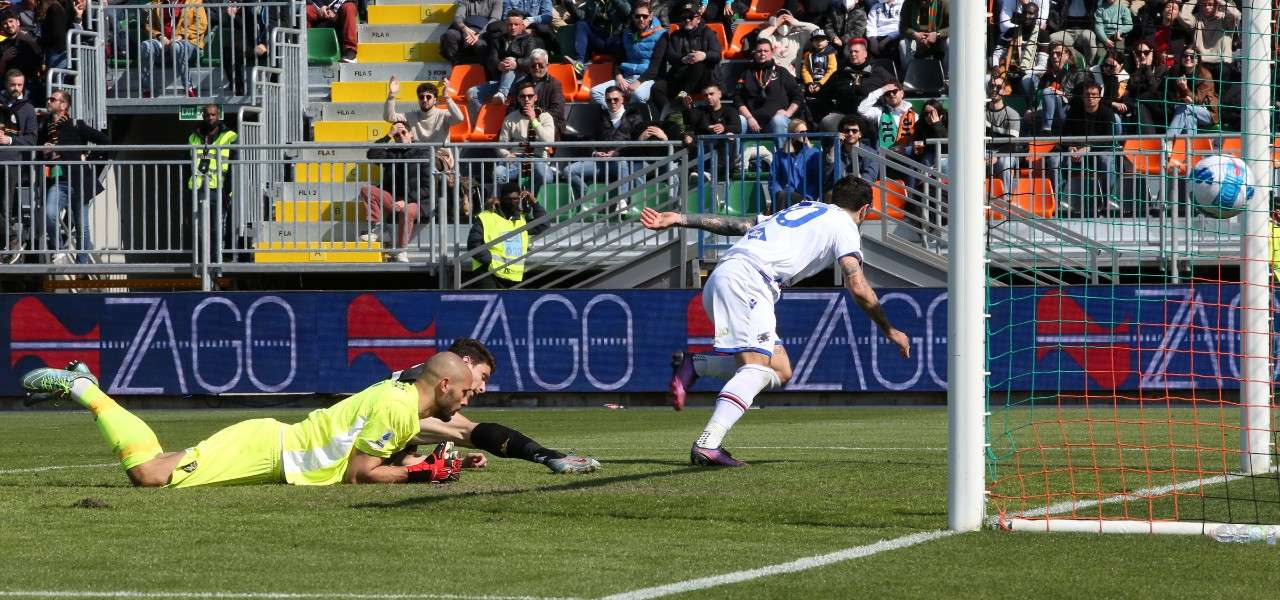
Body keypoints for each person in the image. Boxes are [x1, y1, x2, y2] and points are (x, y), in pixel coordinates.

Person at [639, 176, 910, 466]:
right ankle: (709, 443)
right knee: (755, 368)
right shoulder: (844, 225)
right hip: (749, 281)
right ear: (865, 210)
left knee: (780, 370)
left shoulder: (800, 209)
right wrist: (889, 329)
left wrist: (680, 218)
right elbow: (856, 284)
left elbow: (738, 225)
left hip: (723, 275)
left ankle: (696, 364)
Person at [19, 352, 477, 487]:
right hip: (269, 449)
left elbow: (370, 458)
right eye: (464, 390)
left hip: (276, 452)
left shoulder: (399, 396)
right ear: (442, 385)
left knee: (156, 466)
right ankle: (81, 387)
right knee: (150, 474)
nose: (466, 399)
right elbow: (359, 475)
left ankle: (83, 383)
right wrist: (416, 476)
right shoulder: (400, 408)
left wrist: (421, 466)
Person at [395, 337, 602, 474]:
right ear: (465, 362)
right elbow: (466, 432)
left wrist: (458, 462)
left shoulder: (418, 383)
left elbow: (400, 461)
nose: (483, 388)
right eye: (483, 376)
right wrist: (549, 456)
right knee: (467, 430)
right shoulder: (413, 392)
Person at [38, 89, 109, 262]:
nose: (49, 101)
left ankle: (82, 262)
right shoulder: (46, 126)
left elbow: (105, 141)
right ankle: (59, 250)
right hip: (57, 180)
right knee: (49, 214)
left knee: (81, 224)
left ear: (64, 105)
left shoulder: (76, 125)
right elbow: (39, 150)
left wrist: (88, 158)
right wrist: (45, 150)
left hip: (78, 180)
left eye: (53, 99)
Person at [360, 122, 433, 263]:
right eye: (397, 134)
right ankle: (380, 229)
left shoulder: (423, 151)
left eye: (403, 132)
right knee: (367, 190)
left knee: (407, 210)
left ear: (411, 134)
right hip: (394, 198)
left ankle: (401, 250)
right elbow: (371, 154)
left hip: (419, 201)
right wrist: (388, 135)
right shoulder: (392, 152)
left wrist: (406, 200)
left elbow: (428, 187)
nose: (400, 136)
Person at [638, 3, 722, 116]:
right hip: (681, 76)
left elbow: (717, 55)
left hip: (703, 80)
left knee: (698, 63)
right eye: (684, 17)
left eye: (691, 17)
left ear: (698, 18)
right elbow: (670, 56)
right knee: (657, 87)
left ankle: (681, 96)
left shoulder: (708, 33)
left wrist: (704, 55)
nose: (687, 20)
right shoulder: (675, 35)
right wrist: (683, 59)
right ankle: (672, 116)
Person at [565, 86, 644, 199]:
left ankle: (622, 201)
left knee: (621, 162)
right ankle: (588, 198)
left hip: (623, 161)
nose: (612, 102)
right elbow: (589, 139)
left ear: (622, 99)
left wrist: (616, 153)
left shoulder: (634, 117)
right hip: (601, 161)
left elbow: (636, 143)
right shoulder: (600, 118)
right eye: (608, 100)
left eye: (615, 99)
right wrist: (594, 153)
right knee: (568, 171)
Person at [467, 181, 548, 288]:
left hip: (512, 276)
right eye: (508, 199)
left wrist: (534, 202)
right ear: (501, 199)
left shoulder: (522, 220)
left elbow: (543, 224)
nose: (512, 202)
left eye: (515, 199)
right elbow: (473, 243)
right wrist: (489, 261)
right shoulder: (486, 217)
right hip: (488, 274)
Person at [589, 2, 664, 109]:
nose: (641, 19)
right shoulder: (626, 34)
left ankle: (630, 120)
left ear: (651, 16)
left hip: (647, 79)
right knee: (595, 92)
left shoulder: (661, 34)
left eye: (645, 16)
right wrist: (618, 77)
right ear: (633, 17)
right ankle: (618, 117)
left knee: (638, 95)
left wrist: (638, 82)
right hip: (626, 78)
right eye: (637, 16)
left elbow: (656, 67)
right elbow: (618, 60)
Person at [468, 10, 543, 111]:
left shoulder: (529, 40)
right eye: (510, 24)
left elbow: (531, 61)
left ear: (522, 25)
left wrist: (516, 63)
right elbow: (491, 60)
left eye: (516, 24)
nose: (513, 27)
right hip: (501, 81)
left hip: (522, 81)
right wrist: (499, 65)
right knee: (472, 93)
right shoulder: (498, 40)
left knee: (510, 60)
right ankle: (477, 123)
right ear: (506, 25)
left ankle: (502, 93)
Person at [187, 104, 238, 249]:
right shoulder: (193, 137)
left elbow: (235, 165)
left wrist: (228, 190)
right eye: (207, 115)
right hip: (197, 188)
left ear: (219, 115)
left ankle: (216, 261)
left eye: (213, 114)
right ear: (203, 116)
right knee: (200, 227)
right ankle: (204, 260)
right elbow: (186, 164)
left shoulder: (230, 136)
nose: (210, 117)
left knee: (217, 227)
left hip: (219, 189)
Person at [816, 38, 893, 131]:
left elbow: (894, 88)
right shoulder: (841, 72)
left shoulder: (878, 71)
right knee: (828, 122)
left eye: (856, 51)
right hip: (844, 114)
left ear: (865, 53)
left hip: (870, 113)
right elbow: (824, 93)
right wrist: (829, 111)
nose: (853, 54)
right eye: (851, 52)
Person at [494, 80, 556, 191]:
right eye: (523, 96)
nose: (526, 99)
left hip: (537, 158)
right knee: (498, 172)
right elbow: (501, 145)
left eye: (530, 96)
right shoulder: (510, 118)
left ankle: (533, 204)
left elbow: (549, 141)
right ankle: (505, 205)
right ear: (518, 99)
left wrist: (534, 120)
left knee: (546, 177)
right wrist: (506, 155)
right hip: (516, 159)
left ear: (535, 98)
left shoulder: (545, 117)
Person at [735, 38, 803, 139]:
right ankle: (735, 155)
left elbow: (798, 95)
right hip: (752, 123)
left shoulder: (782, 72)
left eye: (766, 51)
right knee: (740, 119)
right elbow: (737, 98)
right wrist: (749, 117)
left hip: (775, 123)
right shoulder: (746, 73)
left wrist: (788, 113)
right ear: (754, 53)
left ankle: (782, 154)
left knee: (779, 120)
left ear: (771, 52)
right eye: (759, 51)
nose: (762, 54)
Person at [681, 82, 741, 180]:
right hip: (704, 147)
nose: (708, 97)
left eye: (711, 94)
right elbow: (691, 122)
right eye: (705, 95)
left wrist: (724, 128)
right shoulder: (700, 110)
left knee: (729, 136)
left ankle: (711, 172)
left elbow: (738, 128)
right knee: (690, 139)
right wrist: (688, 108)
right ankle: (698, 172)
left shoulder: (730, 111)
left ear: (720, 94)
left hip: (721, 150)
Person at [769, 118, 826, 207]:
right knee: (783, 196)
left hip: (805, 198)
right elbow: (774, 179)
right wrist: (778, 193)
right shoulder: (780, 155)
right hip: (784, 197)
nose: (805, 134)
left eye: (806, 131)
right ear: (792, 134)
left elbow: (817, 180)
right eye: (801, 132)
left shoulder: (814, 154)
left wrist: (808, 197)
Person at [1163, 47, 1217, 136]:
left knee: (1184, 109)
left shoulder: (1205, 75)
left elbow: (1198, 101)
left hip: (1207, 112)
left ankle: (1168, 140)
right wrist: (1182, 99)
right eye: (1185, 56)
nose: (1188, 58)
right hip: (1188, 110)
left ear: (1198, 60)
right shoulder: (1178, 73)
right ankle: (1190, 147)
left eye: (1192, 56)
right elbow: (1175, 96)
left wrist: (1185, 88)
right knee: (1189, 118)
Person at [566, 0, 631, 73]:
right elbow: (581, 16)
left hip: (615, 40)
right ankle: (579, 63)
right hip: (598, 41)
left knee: (623, 38)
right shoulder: (592, 2)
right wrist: (569, 4)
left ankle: (622, 68)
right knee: (581, 24)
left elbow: (628, 12)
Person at [757, 8, 819, 77]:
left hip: (792, 77)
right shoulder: (771, 37)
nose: (784, 25)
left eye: (787, 22)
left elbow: (816, 30)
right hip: (774, 77)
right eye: (781, 22)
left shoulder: (798, 37)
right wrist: (775, 25)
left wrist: (797, 23)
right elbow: (761, 37)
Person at [827, 114, 879, 183]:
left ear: (860, 134)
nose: (850, 133)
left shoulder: (871, 154)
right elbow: (827, 174)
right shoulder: (834, 151)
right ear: (842, 133)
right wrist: (836, 144)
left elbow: (869, 177)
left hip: (860, 190)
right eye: (847, 131)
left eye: (854, 131)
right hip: (838, 190)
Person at [898, 0, 948, 68]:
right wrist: (914, 34)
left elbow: (954, 27)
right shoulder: (908, 2)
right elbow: (903, 27)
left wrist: (938, 34)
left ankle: (947, 76)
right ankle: (910, 75)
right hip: (916, 39)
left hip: (939, 39)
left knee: (949, 43)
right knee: (903, 44)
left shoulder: (944, 2)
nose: (923, 2)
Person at [0, 10, 41, 89]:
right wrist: (3, 59)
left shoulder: (30, 40)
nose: (9, 25)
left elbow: (38, 65)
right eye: (5, 23)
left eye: (11, 21)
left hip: (28, 86)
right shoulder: (2, 45)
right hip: (7, 87)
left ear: (18, 22)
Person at [799, 28, 837, 106]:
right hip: (812, 83)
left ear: (827, 41)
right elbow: (805, 69)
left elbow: (832, 70)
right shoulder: (809, 55)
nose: (819, 42)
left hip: (826, 84)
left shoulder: (831, 54)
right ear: (812, 42)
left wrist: (820, 84)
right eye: (816, 40)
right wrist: (809, 82)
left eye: (822, 39)